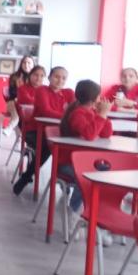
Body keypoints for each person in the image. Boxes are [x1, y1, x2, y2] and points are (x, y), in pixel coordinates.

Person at [13, 66, 75, 195]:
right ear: (50, 78)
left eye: (63, 78)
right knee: (47, 146)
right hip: (35, 130)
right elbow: (46, 111)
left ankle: (65, 179)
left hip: (57, 132)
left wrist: (70, 116)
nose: (60, 80)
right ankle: (26, 177)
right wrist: (67, 117)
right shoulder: (42, 90)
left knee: (67, 146)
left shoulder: (69, 93)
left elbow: (76, 111)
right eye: (56, 77)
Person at [59, 80, 113, 212]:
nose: (101, 98)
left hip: (87, 161)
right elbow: (90, 134)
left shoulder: (92, 112)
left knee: (109, 170)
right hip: (69, 163)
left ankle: (99, 208)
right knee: (86, 176)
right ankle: (73, 210)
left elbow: (106, 134)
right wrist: (101, 115)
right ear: (93, 98)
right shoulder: (77, 114)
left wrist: (103, 115)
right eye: (99, 95)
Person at [4, 56, 35, 131]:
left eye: (29, 63)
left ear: (33, 65)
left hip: (28, 104)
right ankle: (13, 125)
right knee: (14, 105)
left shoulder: (35, 77)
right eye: (24, 62)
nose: (26, 65)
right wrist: (19, 88)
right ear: (21, 64)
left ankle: (18, 132)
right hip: (14, 102)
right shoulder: (15, 76)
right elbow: (11, 93)